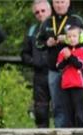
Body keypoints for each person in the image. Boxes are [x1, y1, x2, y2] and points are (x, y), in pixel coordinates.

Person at [36, 0, 83, 128]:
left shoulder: (76, 20)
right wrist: (46, 43)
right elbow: (38, 43)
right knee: (58, 104)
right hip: (55, 69)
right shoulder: (47, 22)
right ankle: (61, 132)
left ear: (68, 3)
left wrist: (66, 39)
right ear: (53, 4)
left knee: (77, 104)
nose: (60, 5)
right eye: (57, 2)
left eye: (62, 2)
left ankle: (80, 130)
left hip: (73, 70)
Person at [21, 0, 52, 128]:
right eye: (37, 12)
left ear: (49, 11)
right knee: (40, 108)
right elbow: (24, 54)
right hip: (39, 74)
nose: (40, 14)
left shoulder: (58, 26)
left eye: (43, 11)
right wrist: (35, 62)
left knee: (61, 106)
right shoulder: (32, 31)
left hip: (58, 72)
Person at [56, 26, 83, 127]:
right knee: (67, 110)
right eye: (69, 36)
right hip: (65, 85)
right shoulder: (63, 51)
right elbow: (59, 66)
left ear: (80, 37)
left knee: (79, 110)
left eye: (74, 36)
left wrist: (70, 56)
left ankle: (81, 129)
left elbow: (80, 65)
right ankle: (70, 130)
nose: (71, 38)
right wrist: (66, 58)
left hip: (78, 85)